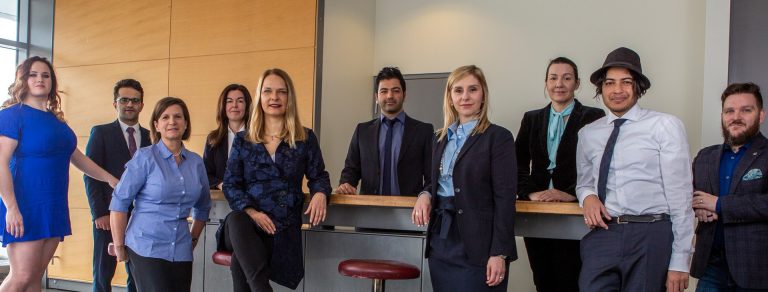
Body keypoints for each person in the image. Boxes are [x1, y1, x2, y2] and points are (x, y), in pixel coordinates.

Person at [576, 47, 694, 292]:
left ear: (638, 87)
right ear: (601, 89)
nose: (617, 90)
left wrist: (680, 260)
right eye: (610, 83)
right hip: (604, 233)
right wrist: (587, 197)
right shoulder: (588, 134)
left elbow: (680, 196)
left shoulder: (665, 126)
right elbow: (584, 182)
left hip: (651, 234)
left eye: (626, 82)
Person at [0, 56, 119, 291]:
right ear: (22, 79)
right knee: (22, 276)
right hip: (25, 204)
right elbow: (1, 162)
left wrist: (110, 178)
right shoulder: (12, 115)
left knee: (35, 278)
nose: (40, 79)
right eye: (33, 74)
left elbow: (77, 157)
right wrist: (11, 208)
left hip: (53, 204)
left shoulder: (56, 121)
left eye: (46, 75)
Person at [221, 68, 331, 291]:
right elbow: (231, 183)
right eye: (268, 91)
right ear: (260, 96)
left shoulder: (305, 137)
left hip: (281, 228)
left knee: (240, 266)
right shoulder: (244, 139)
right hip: (246, 227)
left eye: (281, 92)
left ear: (289, 98)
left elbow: (319, 176)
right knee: (237, 219)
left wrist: (320, 193)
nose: (274, 97)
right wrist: (253, 212)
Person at [411, 65, 517, 291]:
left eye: (473, 89)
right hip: (442, 240)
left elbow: (505, 199)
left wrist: (499, 252)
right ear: (450, 97)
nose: (465, 97)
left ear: (483, 94)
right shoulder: (438, 138)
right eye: (458, 91)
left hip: (480, 244)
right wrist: (424, 194)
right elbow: (436, 181)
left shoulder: (498, 137)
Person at [515, 57, 604, 292]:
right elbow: (518, 164)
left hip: (575, 211)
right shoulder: (531, 118)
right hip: (537, 212)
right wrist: (530, 194)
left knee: (571, 278)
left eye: (567, 78)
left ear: (577, 83)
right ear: (546, 82)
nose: (559, 84)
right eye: (553, 78)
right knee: (543, 279)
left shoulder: (593, 116)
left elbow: (599, 165)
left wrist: (572, 194)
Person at [109, 97, 211, 291]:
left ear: (186, 123)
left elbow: (203, 207)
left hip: (181, 249)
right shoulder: (145, 157)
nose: (172, 121)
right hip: (146, 245)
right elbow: (119, 202)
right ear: (156, 125)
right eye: (165, 117)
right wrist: (119, 246)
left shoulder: (196, 162)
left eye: (178, 117)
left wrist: (193, 238)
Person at [690, 82, 768, 291]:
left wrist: (719, 205)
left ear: (761, 115)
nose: (736, 117)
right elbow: (688, 193)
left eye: (746, 110)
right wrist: (697, 207)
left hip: (756, 270)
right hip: (711, 266)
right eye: (729, 111)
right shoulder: (705, 156)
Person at [84, 79, 150, 292]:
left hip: (142, 216)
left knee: (138, 273)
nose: (129, 104)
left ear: (141, 104)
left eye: (135, 100)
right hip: (108, 215)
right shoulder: (101, 133)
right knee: (103, 274)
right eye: (124, 100)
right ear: (115, 104)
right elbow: (90, 175)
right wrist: (99, 213)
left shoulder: (152, 137)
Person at [336, 67, 433, 196]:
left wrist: (426, 196)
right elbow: (351, 169)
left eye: (395, 90)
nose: (390, 96)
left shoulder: (423, 131)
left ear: (404, 95)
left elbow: (432, 176)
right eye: (384, 91)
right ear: (376, 97)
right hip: (369, 209)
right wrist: (346, 184)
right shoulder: (362, 131)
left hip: (410, 211)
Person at [203, 84, 253, 189]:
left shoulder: (258, 137)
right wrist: (222, 185)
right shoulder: (213, 138)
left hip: (253, 200)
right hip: (222, 200)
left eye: (240, 101)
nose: (234, 105)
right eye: (229, 101)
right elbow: (205, 174)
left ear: (247, 105)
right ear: (223, 107)